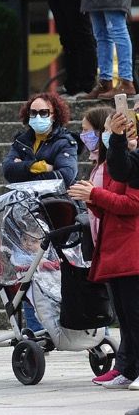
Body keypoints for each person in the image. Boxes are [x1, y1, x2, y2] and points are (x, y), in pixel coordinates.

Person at [71, 106, 139, 397]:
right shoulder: (112, 161)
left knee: (135, 316)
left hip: (130, 249)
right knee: (125, 318)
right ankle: (128, 369)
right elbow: (114, 196)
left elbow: (132, 205)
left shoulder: (126, 160)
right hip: (114, 247)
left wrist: (95, 195)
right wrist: (92, 199)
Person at [1, 93, 79, 188]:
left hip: (54, 200)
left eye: (43, 113)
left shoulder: (64, 142)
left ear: (54, 116)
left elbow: (66, 176)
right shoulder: (21, 141)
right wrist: (43, 167)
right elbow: (8, 170)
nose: (38, 117)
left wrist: (23, 172)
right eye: (33, 113)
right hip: (26, 199)